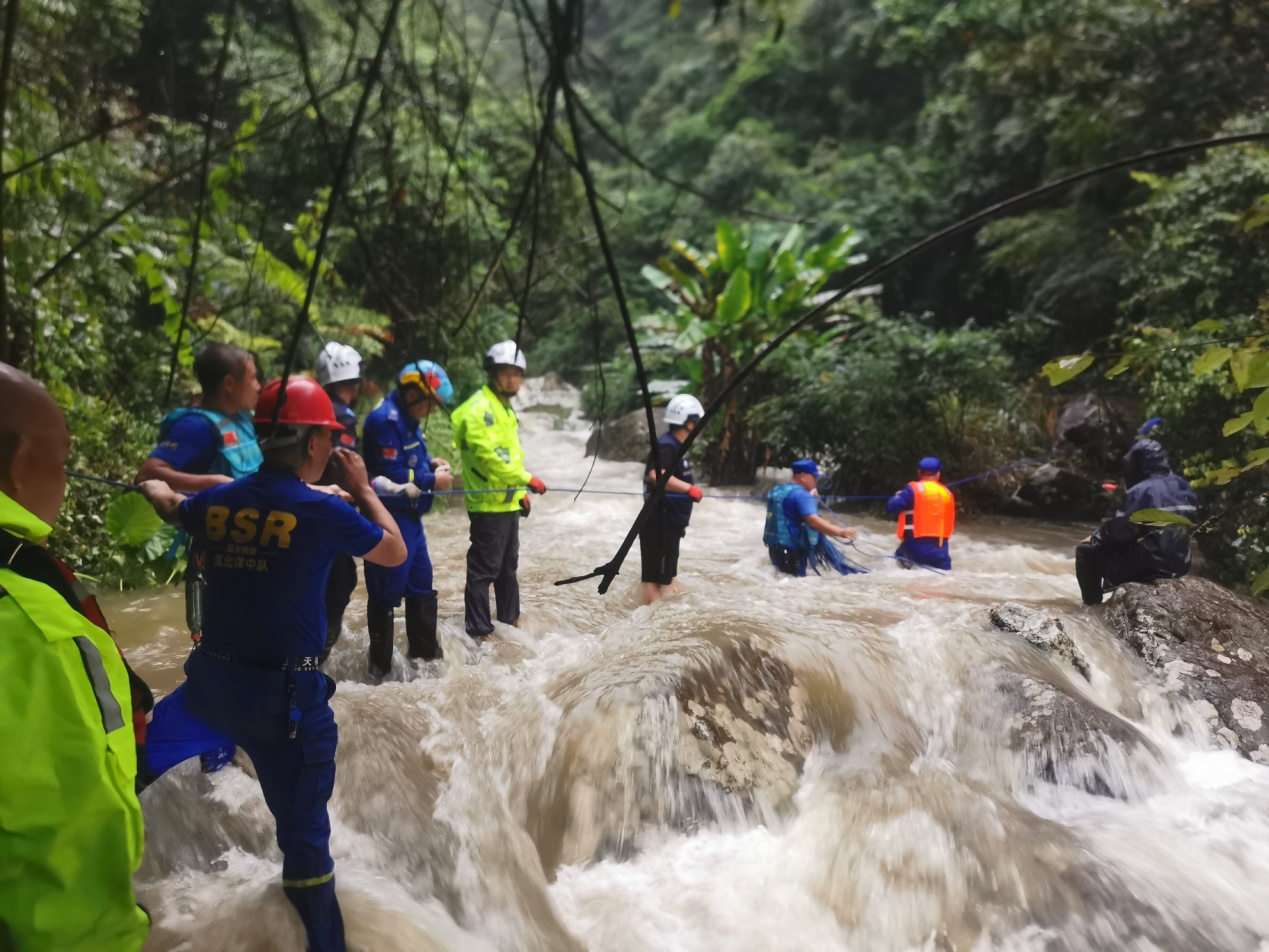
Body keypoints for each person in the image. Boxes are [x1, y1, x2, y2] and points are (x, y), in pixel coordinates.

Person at [138, 376, 407, 952]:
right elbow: (393, 550)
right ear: (314, 445)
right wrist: (361, 489)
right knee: (306, 842)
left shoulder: (218, 502)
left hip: (206, 689)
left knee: (126, 776)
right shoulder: (321, 511)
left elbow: (170, 505)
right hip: (286, 704)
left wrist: (157, 485)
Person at [0, 362, 150, 952]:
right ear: (18, 463)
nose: (65, 482)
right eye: (61, 463)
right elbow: (64, 840)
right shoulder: (30, 621)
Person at [136, 342, 261, 775]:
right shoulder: (194, 425)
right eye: (253, 377)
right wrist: (212, 480)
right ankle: (209, 759)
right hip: (217, 559)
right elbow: (149, 473)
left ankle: (224, 753)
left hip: (253, 554)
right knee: (222, 654)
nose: (259, 386)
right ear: (230, 384)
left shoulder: (241, 420)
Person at [361, 360, 455, 677]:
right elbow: (393, 474)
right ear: (413, 393)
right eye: (429, 401)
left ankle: (426, 663)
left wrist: (430, 461)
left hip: (412, 520)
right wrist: (432, 479)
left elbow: (410, 457)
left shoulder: (409, 418)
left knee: (421, 586)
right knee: (385, 593)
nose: (429, 409)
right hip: (389, 518)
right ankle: (381, 670)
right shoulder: (384, 421)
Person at [452, 340, 547, 640]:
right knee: (483, 570)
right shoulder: (480, 409)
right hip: (487, 505)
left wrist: (519, 492)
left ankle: (510, 622)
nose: (512, 379)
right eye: (505, 373)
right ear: (491, 373)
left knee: (508, 568)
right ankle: (479, 632)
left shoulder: (504, 408)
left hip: (506, 504)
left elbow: (509, 455)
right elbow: (490, 459)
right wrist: (527, 478)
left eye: (516, 373)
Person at [1075, 437, 1197, 606]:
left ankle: (1091, 606)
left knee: (1085, 551)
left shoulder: (1142, 490)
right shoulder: (1183, 486)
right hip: (1178, 565)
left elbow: (1120, 530)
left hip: (1149, 566)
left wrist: (1095, 537)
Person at [314, 342, 365, 664]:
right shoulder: (341, 416)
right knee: (340, 582)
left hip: (307, 509)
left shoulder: (314, 408)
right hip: (332, 510)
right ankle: (318, 656)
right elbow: (341, 464)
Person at [639, 394, 705, 603]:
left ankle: (665, 614)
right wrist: (689, 489)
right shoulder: (667, 446)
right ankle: (652, 620)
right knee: (654, 577)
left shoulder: (677, 446)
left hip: (670, 522)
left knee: (666, 576)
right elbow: (656, 474)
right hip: (659, 520)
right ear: (689, 423)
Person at [764, 459, 858, 577]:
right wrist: (840, 531)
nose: (816, 481)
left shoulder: (778, 491)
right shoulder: (802, 495)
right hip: (793, 551)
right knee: (796, 585)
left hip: (775, 549)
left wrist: (810, 499)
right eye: (814, 477)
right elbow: (813, 522)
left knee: (781, 579)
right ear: (803, 476)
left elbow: (791, 511)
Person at [886, 457, 955, 570]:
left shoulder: (913, 490)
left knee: (894, 563)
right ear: (938, 474)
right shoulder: (947, 493)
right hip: (941, 551)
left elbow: (891, 507)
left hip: (915, 547)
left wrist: (898, 496)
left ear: (919, 473)